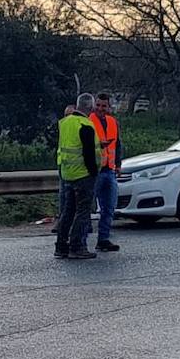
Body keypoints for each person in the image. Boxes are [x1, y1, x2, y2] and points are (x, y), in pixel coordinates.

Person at [55, 93, 100, 260]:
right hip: (83, 174)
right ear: (90, 107)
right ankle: (77, 246)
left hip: (67, 173)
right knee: (82, 212)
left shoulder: (65, 123)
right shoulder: (85, 125)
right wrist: (94, 172)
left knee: (67, 211)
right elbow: (88, 154)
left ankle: (61, 246)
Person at [88, 92, 124, 253]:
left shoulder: (112, 122)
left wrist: (118, 165)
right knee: (86, 207)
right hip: (94, 171)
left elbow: (117, 145)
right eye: (98, 105)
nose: (100, 108)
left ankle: (103, 239)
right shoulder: (89, 121)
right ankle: (79, 241)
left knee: (109, 207)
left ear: (109, 107)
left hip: (109, 170)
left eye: (104, 106)